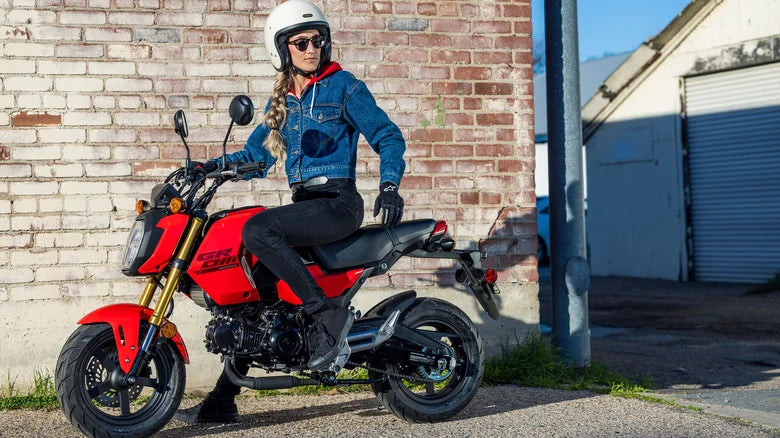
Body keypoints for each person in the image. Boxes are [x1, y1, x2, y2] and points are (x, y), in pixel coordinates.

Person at [175, 0, 406, 423]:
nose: (311, 48)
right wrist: (208, 167)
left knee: (258, 228)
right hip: (305, 210)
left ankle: (327, 314)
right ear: (282, 50)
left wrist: (390, 185)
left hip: (337, 205)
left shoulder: (344, 87)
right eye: (300, 42)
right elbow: (255, 156)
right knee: (255, 291)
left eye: (317, 40)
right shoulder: (283, 101)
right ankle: (223, 400)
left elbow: (388, 136)